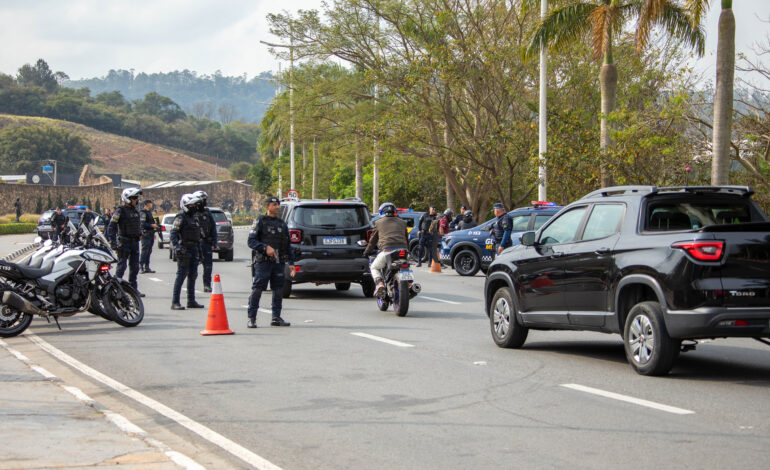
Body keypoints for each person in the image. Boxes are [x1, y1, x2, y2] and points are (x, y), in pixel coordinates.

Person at [246, 196, 295, 328]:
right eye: (274, 205)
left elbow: (288, 245)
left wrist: (291, 263)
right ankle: (252, 318)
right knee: (258, 289)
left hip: (278, 263)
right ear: (267, 207)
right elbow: (251, 241)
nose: (277, 207)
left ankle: (276, 317)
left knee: (278, 290)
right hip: (263, 262)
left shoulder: (282, 224)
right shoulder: (260, 221)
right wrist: (264, 248)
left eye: (278, 205)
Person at [363, 202, 408, 297]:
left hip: (387, 251)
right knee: (406, 266)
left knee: (374, 267)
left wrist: (367, 251)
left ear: (381, 212)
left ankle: (379, 284)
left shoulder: (378, 223)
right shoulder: (403, 222)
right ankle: (410, 284)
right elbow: (406, 239)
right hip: (403, 251)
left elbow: (372, 241)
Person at [106, 188, 144, 296]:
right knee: (121, 267)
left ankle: (133, 289)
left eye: (136, 198)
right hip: (124, 242)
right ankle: (116, 289)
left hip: (134, 243)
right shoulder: (120, 211)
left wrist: (140, 233)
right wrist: (113, 243)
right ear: (127, 199)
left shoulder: (135, 211)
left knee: (135, 267)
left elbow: (137, 225)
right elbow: (111, 227)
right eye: (134, 198)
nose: (136, 200)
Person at [170, 194, 204, 310]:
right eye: (191, 205)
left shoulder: (194, 218)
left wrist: (200, 252)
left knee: (193, 275)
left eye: (194, 205)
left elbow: (197, 236)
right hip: (184, 249)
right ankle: (175, 302)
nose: (193, 207)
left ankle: (191, 300)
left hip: (194, 248)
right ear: (185, 205)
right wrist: (178, 247)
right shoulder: (180, 218)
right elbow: (173, 234)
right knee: (181, 276)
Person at [192, 190, 217, 292]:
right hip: (195, 244)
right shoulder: (191, 213)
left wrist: (214, 242)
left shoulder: (207, 212)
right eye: (203, 200)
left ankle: (207, 285)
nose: (205, 202)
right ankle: (191, 287)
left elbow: (213, 228)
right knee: (193, 267)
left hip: (206, 243)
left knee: (208, 267)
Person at [139, 200, 159, 274]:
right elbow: (142, 223)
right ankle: (141, 266)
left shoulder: (149, 212)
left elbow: (151, 222)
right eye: (151, 204)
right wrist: (151, 225)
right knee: (145, 251)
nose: (151, 205)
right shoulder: (143, 213)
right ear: (147, 204)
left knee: (149, 251)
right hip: (145, 234)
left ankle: (147, 267)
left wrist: (153, 231)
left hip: (150, 234)